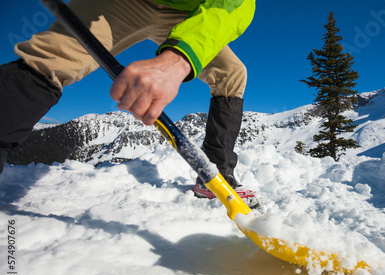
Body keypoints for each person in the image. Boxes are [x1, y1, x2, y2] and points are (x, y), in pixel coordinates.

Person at [0, 0, 258, 207]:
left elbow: (234, 4)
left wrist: (178, 60)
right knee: (51, 59)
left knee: (232, 75)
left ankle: (216, 175)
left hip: (188, 13)